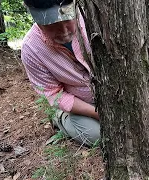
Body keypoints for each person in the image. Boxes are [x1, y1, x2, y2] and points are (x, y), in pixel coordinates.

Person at [21, 0, 100, 146]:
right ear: (37, 21)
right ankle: (61, 118)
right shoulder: (31, 49)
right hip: (81, 103)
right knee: (98, 136)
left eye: (68, 20)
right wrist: (97, 113)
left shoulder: (93, 18)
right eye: (52, 25)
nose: (64, 31)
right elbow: (54, 94)